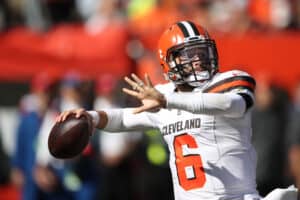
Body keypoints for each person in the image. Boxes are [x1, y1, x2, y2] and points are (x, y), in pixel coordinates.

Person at [57, 21, 260, 200]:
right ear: (169, 61)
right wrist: (90, 117)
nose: (198, 60)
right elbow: (125, 118)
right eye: (190, 55)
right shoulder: (164, 96)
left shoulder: (228, 81)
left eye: (202, 52)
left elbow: (234, 104)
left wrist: (168, 101)